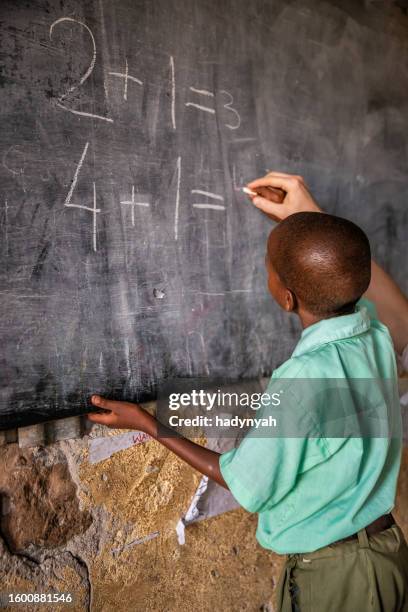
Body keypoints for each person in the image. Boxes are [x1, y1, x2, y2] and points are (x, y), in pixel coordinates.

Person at [87, 172, 408, 612]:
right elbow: (397, 310)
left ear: (287, 297)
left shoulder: (302, 380)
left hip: (339, 576)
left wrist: (146, 423)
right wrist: (309, 218)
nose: (266, 272)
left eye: (268, 268)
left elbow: (246, 485)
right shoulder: (373, 341)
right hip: (385, 555)